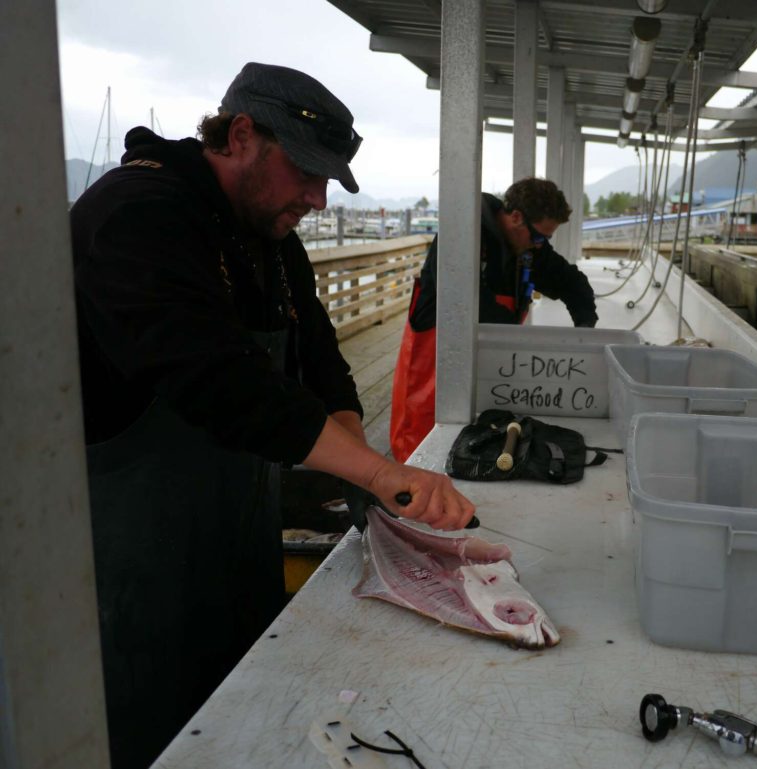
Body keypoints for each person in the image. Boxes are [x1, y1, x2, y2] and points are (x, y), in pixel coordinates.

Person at [70, 62, 475, 769]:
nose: (317, 199)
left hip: (232, 553)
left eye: (329, 181)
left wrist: (369, 482)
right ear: (242, 134)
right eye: (306, 173)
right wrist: (383, 471)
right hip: (123, 579)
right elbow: (220, 382)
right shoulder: (136, 214)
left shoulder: (274, 243)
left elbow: (321, 363)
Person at [389, 178, 599, 462]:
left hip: (487, 366)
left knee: (476, 445)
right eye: (539, 238)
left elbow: (571, 283)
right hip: (435, 362)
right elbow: (467, 301)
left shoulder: (528, 248)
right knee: (421, 450)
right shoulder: (463, 231)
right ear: (516, 217)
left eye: (545, 240)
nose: (540, 246)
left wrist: (585, 329)